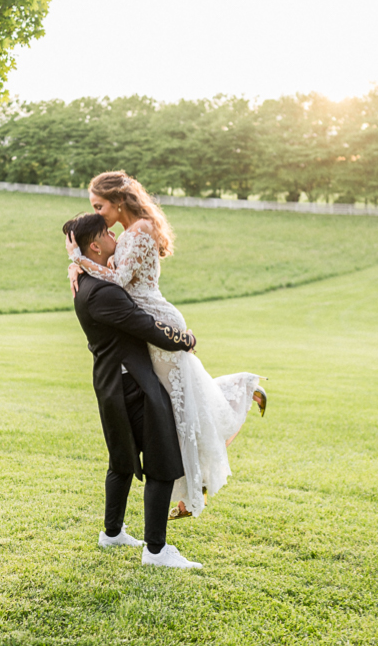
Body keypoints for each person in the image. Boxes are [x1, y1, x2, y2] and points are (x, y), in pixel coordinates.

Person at [66, 171, 267, 519]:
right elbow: (112, 274)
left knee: (180, 408)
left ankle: (195, 486)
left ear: (116, 201)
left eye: (100, 206)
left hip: (159, 322)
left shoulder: (139, 230)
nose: (98, 215)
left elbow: (116, 279)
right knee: (177, 408)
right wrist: (81, 267)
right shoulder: (128, 235)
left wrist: (77, 261)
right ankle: (193, 488)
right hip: (148, 323)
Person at [64, 212, 203, 569]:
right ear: (95, 246)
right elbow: (145, 325)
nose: (115, 237)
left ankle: (112, 534)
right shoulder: (104, 293)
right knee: (161, 462)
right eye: (108, 233)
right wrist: (184, 339)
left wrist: (77, 262)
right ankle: (156, 551)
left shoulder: (88, 285)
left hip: (112, 385)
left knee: (122, 461)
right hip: (134, 385)